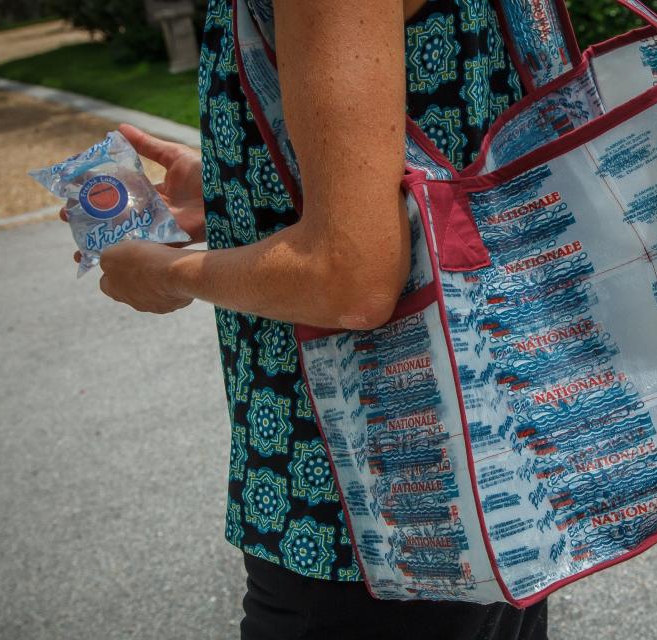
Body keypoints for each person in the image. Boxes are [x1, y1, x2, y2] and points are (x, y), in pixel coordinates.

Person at [62, 1, 548, 638]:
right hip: (488, 442)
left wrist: (159, 273)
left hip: (362, 504)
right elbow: (440, 137)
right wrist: (238, 188)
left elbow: (350, 278)